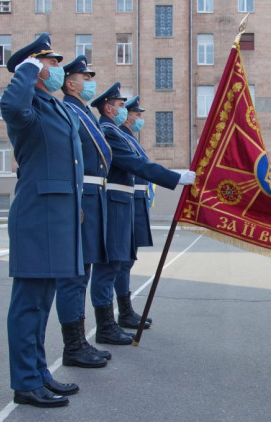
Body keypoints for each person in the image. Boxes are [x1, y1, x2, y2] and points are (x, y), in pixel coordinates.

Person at [1, 33, 81, 408]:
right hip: (36, 217)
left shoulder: (54, 106)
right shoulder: (26, 102)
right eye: (49, 63)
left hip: (56, 219)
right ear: (32, 69)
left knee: (41, 305)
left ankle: (38, 373)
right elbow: (12, 108)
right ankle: (25, 382)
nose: (57, 69)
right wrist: (26, 69)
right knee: (28, 305)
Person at [89, 83, 195, 346]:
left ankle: (121, 314)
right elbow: (135, 165)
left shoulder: (120, 134)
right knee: (109, 265)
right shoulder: (108, 131)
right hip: (115, 204)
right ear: (108, 107)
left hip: (126, 203)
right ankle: (105, 325)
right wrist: (174, 177)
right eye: (124, 106)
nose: (131, 114)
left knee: (122, 261)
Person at [54, 55, 112, 369]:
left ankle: (79, 343)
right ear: (69, 82)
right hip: (81, 198)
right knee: (74, 276)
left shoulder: (82, 111)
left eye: (89, 77)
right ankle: (73, 346)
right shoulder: (69, 110)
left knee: (83, 272)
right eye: (84, 77)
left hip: (93, 197)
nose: (89, 82)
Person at [114, 96, 153, 330]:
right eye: (137, 115)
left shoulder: (130, 138)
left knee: (128, 261)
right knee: (121, 262)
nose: (140, 119)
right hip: (127, 200)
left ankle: (126, 310)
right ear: (126, 115)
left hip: (136, 201)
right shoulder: (121, 136)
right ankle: (123, 312)